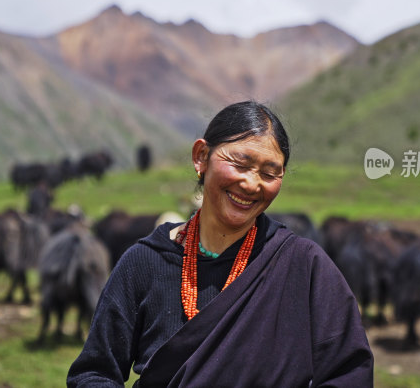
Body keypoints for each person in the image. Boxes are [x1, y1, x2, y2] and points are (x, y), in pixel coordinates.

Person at [68, 101, 373, 387]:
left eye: (269, 173)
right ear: (201, 156)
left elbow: (350, 372)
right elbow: (94, 373)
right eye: (240, 163)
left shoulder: (304, 266)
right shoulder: (144, 262)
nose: (252, 184)